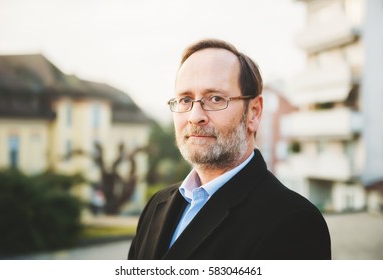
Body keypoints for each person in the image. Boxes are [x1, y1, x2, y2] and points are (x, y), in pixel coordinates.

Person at [128, 38, 331, 260]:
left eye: (215, 98)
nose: (195, 116)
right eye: (185, 99)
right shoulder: (157, 204)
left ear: (253, 112)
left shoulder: (294, 222)